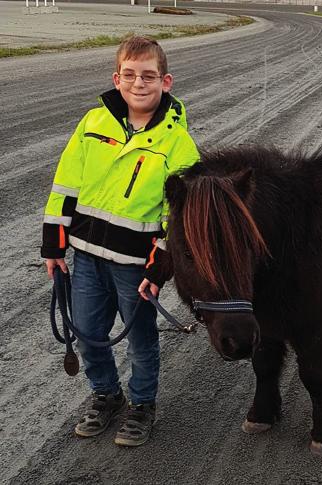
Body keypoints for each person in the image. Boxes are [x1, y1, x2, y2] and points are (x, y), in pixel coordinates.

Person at [41, 35, 199, 447]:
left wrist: (158, 267)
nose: (138, 83)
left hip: (135, 267)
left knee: (141, 340)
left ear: (166, 82)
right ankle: (106, 395)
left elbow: (177, 217)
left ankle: (142, 405)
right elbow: (65, 185)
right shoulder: (92, 123)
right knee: (90, 333)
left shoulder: (178, 145)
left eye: (148, 76)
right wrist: (54, 246)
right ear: (117, 77)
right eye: (129, 74)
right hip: (88, 259)